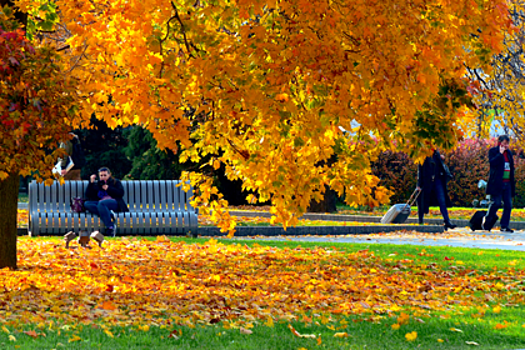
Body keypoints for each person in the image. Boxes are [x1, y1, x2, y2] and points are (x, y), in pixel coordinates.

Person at [417, 149, 457, 230]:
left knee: (442, 200)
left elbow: (440, 167)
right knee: (422, 200)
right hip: (427, 181)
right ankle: (420, 220)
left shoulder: (436, 154)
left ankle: (447, 220)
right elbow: (420, 170)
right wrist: (418, 184)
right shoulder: (423, 154)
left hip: (437, 180)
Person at [84, 167, 129, 237]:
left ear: (109, 175)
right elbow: (88, 195)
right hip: (101, 204)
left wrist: (108, 188)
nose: (103, 177)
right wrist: (91, 183)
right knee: (87, 204)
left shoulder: (115, 182)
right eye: (101, 175)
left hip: (114, 203)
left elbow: (121, 193)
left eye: (105, 175)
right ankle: (109, 213)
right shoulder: (97, 184)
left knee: (101, 203)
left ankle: (110, 227)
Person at [485, 135, 515, 233]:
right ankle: (487, 219)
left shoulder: (509, 153)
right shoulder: (493, 151)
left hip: (507, 183)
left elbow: (511, 167)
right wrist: (500, 154)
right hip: (497, 183)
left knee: (508, 205)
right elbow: (492, 163)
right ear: (500, 142)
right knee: (497, 203)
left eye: (507, 144)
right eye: (504, 143)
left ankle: (504, 225)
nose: (506, 146)